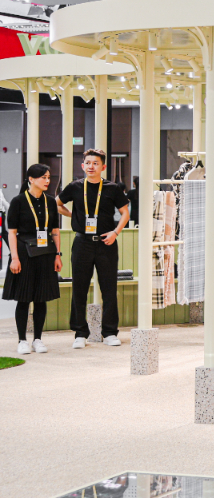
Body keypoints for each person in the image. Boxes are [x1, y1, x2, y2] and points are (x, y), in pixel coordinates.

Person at [57, 149, 130, 349]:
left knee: (109, 288)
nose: (91, 166)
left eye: (95, 163)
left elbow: (125, 213)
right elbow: (57, 203)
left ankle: (109, 332)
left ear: (103, 167)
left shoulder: (112, 188)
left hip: (107, 242)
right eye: (88, 163)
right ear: (82, 166)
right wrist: (74, 216)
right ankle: (80, 332)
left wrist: (115, 232)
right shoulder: (74, 186)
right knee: (79, 287)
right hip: (82, 242)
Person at [5, 164, 62, 355]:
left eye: (48, 177)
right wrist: (14, 257)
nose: (47, 181)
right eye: (43, 177)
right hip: (23, 253)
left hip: (45, 253)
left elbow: (55, 231)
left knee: (41, 298)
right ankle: (22, 339)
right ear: (31, 179)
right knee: (23, 298)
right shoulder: (18, 201)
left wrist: (58, 255)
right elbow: (11, 233)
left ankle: (38, 339)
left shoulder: (51, 202)